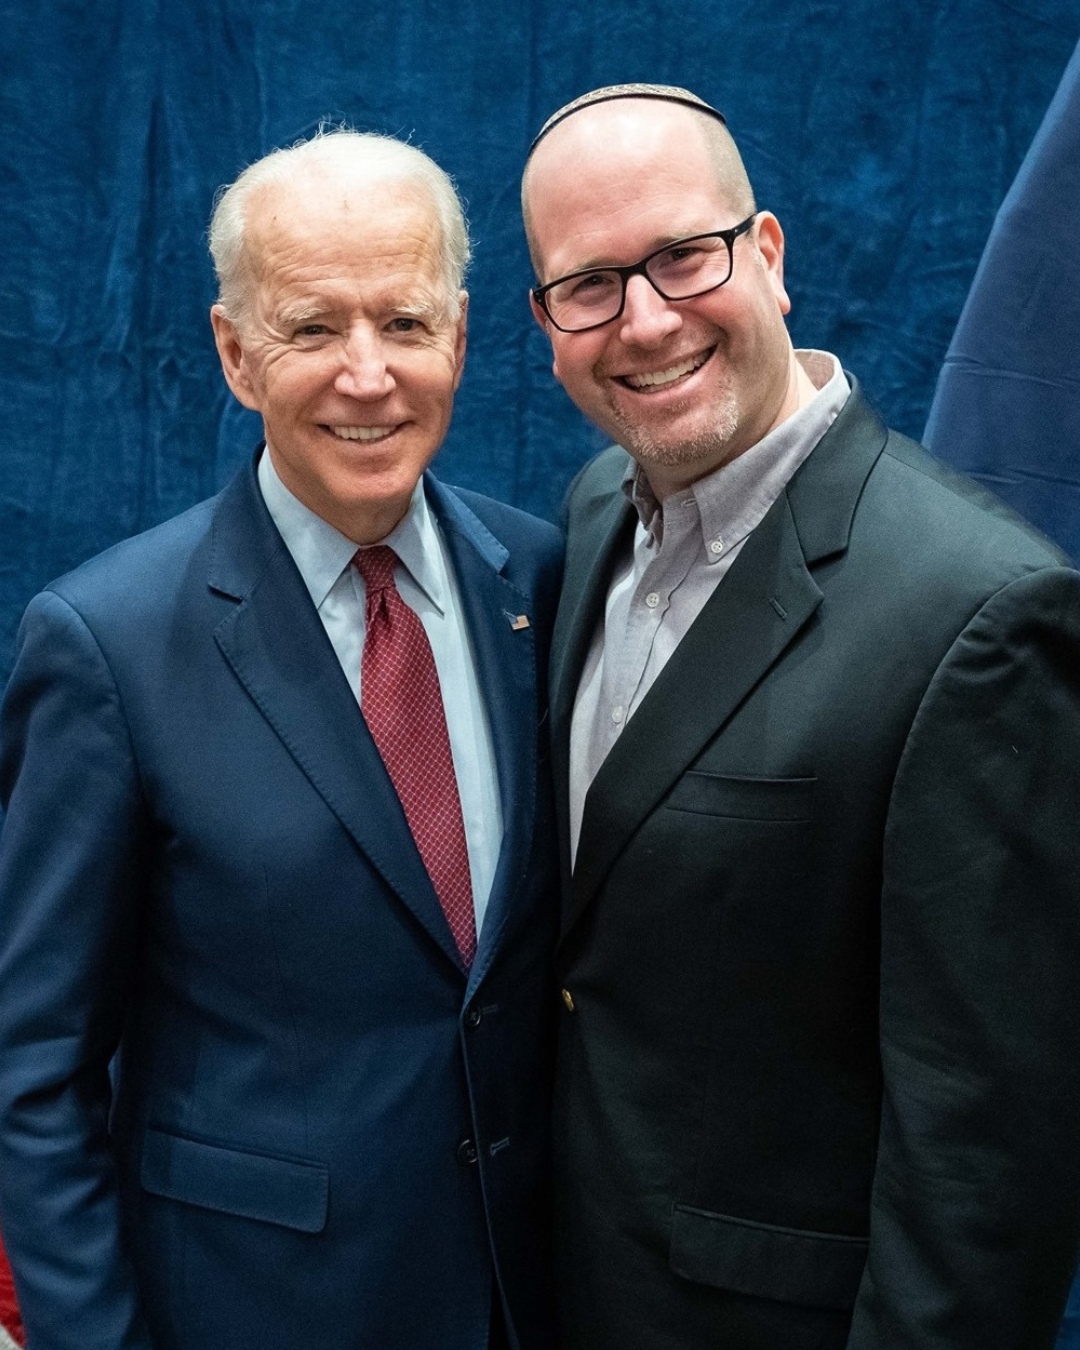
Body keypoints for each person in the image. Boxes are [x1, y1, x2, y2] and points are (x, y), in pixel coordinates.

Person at [521, 82, 1080, 1350]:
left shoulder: (981, 613)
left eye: (681, 256)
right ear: (547, 322)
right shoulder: (594, 512)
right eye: (588, 284)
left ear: (766, 255)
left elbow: (984, 1170)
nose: (644, 317)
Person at [0, 129, 562, 1350]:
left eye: (404, 324)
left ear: (460, 336)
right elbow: (30, 1077)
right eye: (314, 328)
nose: (369, 375)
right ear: (234, 352)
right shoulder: (106, 644)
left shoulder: (550, 584)